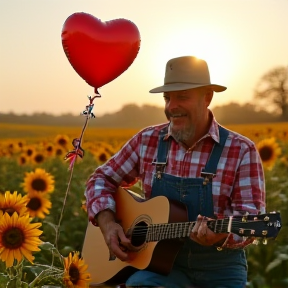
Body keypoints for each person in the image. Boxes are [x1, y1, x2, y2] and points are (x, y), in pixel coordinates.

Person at [84, 56, 266, 288]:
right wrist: (108, 224)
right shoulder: (147, 141)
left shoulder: (241, 150)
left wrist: (222, 234)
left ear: (207, 97)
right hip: (158, 268)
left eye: (182, 97)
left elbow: (250, 217)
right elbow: (101, 179)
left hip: (220, 269)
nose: (171, 107)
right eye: (167, 98)